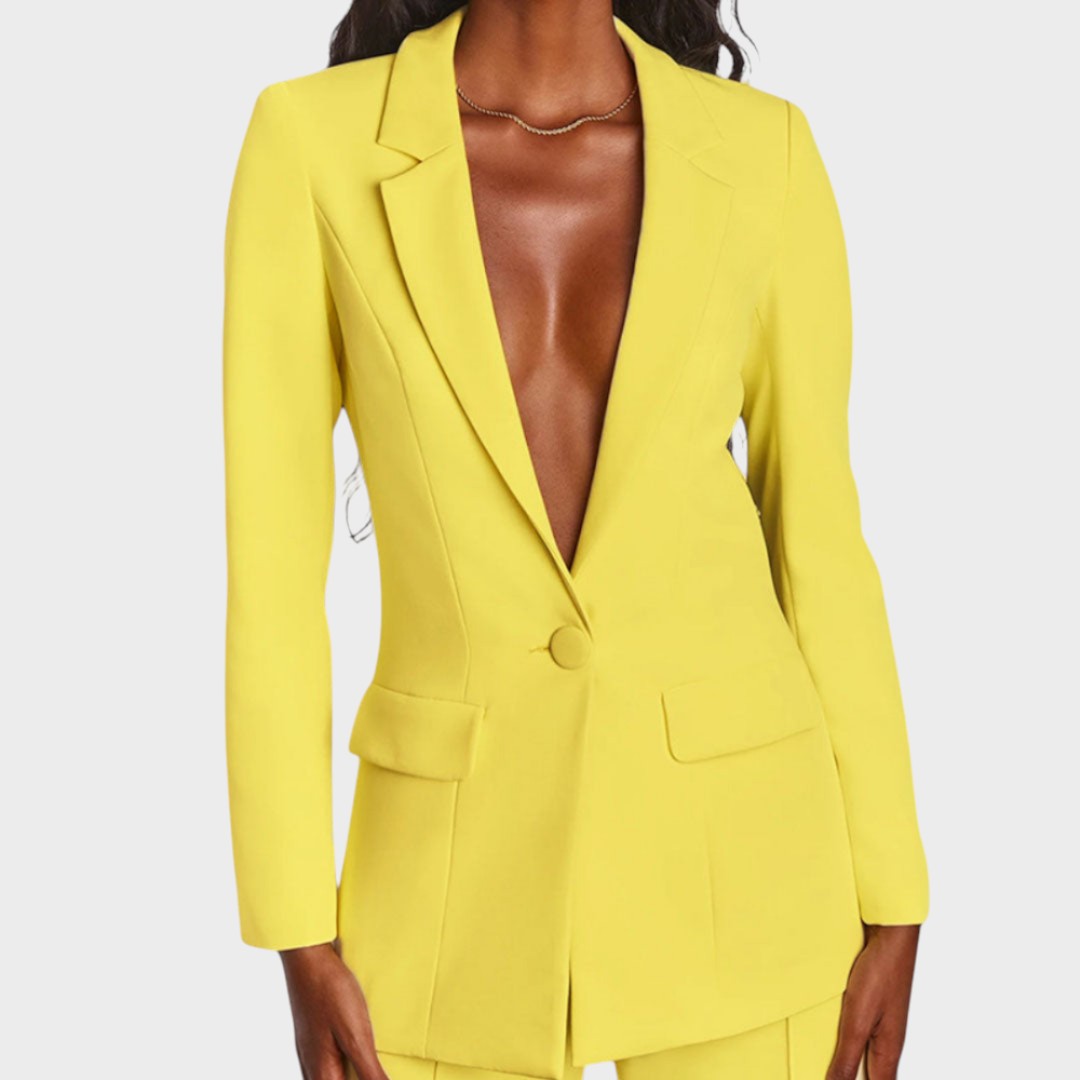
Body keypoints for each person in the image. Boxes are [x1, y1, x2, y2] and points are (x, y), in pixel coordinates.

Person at [221, 2, 929, 1078]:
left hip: (753, 885)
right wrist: (295, 928)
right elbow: (271, 578)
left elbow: (820, 544)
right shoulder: (311, 145)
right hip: (443, 911)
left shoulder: (764, 152)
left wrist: (894, 892)